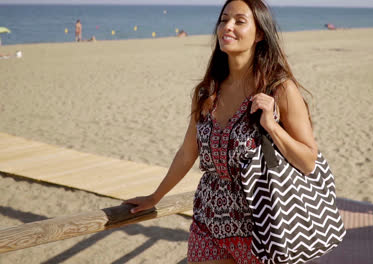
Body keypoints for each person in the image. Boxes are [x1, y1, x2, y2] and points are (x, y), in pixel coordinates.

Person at [123, 0, 318, 263]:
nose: (227, 26)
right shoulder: (206, 91)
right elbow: (187, 153)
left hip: (262, 227)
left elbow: (307, 161)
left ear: (259, 33)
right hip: (208, 220)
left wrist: (272, 126)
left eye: (239, 21)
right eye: (224, 19)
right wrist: (156, 196)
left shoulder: (280, 89)